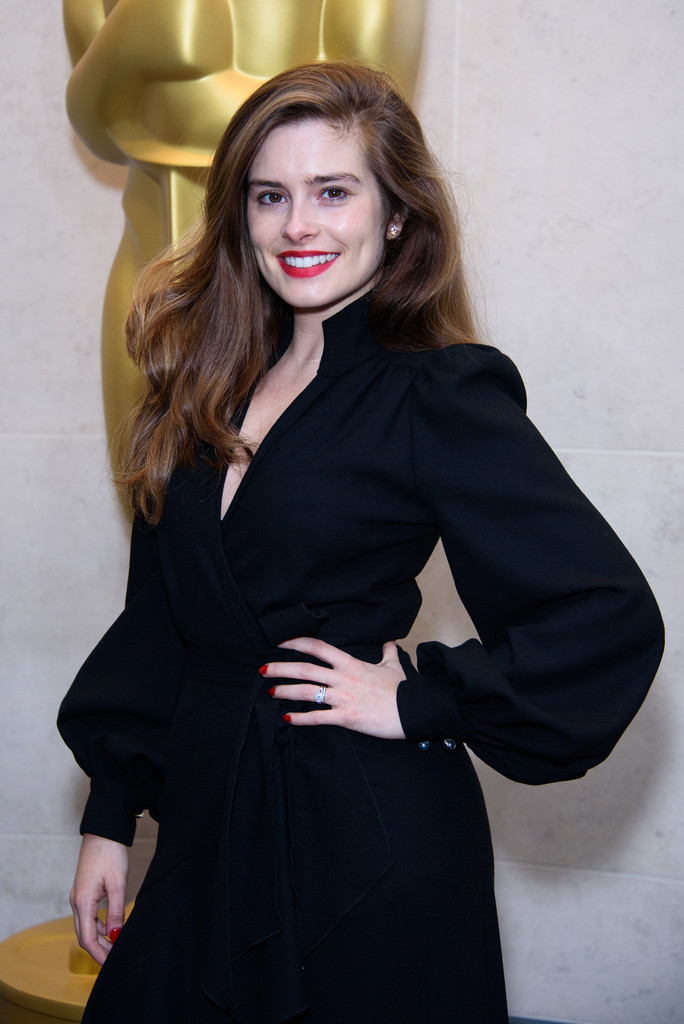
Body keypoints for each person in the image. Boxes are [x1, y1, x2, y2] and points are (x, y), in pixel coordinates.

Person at [58, 62, 664, 1024]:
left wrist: (423, 698)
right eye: (271, 196)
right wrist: (109, 815)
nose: (299, 225)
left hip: (369, 842)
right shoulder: (199, 388)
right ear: (240, 215)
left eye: (333, 192)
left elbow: (605, 614)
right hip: (208, 822)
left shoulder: (438, 391)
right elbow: (159, 622)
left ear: (396, 217)